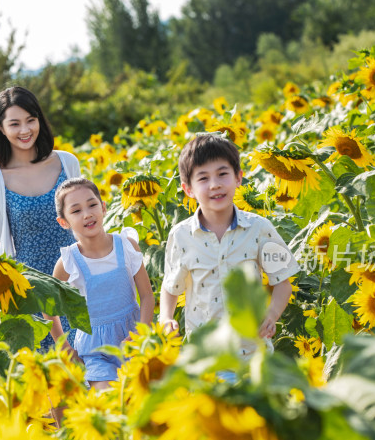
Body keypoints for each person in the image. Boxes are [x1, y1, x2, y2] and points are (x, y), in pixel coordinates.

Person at [159, 134, 299, 359]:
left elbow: (283, 281)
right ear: (188, 189)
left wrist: (272, 315)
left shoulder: (259, 228)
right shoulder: (181, 235)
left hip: (254, 354)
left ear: (238, 178)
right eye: (203, 178)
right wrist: (166, 318)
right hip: (207, 358)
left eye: (222, 174)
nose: (215, 185)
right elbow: (170, 286)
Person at [0, 86, 80, 349]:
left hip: (76, 283)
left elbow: (84, 222)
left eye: (30, 120)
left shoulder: (67, 163)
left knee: (93, 368)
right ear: (1, 128)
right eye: (14, 123)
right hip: (30, 295)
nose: (25, 130)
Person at [50, 178, 154, 389]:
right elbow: (48, 305)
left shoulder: (126, 245)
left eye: (92, 205)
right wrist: (64, 346)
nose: (87, 214)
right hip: (95, 350)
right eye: (76, 210)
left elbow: (147, 296)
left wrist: (142, 332)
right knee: (107, 401)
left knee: (142, 400)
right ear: (64, 222)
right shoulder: (68, 261)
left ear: (103, 207)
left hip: (134, 339)